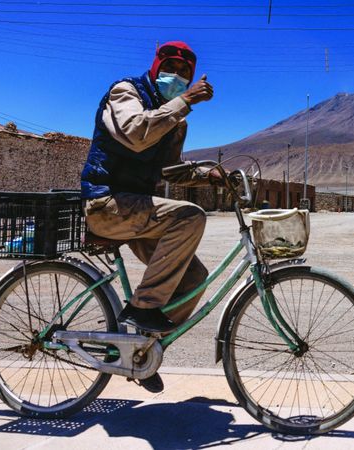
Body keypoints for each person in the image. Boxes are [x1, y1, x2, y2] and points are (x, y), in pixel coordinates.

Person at [80, 41, 217, 392]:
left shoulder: (174, 118)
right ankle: (143, 307)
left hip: (135, 209)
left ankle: (142, 350)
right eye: (171, 67)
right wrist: (184, 101)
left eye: (185, 73)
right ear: (157, 67)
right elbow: (135, 134)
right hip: (105, 204)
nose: (178, 76)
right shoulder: (125, 92)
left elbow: (169, 170)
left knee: (195, 278)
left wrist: (208, 174)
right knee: (190, 216)